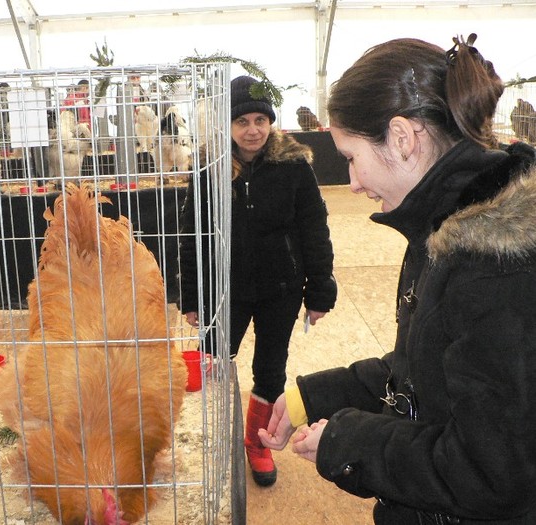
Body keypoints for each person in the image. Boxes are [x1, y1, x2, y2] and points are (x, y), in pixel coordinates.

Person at [259, 34, 536, 524]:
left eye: (350, 156)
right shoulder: (452, 224)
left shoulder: (495, 267)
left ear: (403, 138)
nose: (353, 183)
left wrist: (347, 442)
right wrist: (316, 396)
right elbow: (428, 367)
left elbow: (489, 472)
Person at [178, 75, 337, 487]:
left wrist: (319, 289)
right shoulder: (209, 170)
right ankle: (214, 437)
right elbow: (192, 236)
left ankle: (257, 442)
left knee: (270, 368)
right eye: (242, 121)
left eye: (261, 120)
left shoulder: (294, 167)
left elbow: (314, 228)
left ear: (271, 122)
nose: (253, 130)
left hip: (280, 289)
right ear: (227, 126)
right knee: (213, 361)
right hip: (226, 290)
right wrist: (193, 297)